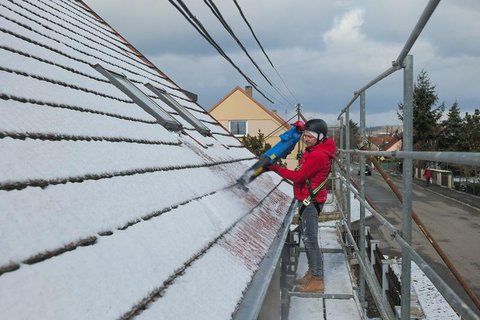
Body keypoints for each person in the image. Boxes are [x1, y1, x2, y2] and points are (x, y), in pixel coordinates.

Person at [268, 119, 336, 292]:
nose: (305, 139)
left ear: (320, 137)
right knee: (308, 238)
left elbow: (298, 176)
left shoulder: (317, 155)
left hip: (310, 201)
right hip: (310, 199)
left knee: (310, 240)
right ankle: (312, 274)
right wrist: (298, 131)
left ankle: (317, 279)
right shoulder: (317, 149)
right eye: (304, 136)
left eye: (309, 136)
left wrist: (275, 168)